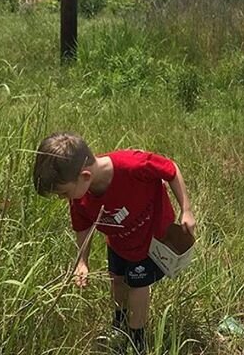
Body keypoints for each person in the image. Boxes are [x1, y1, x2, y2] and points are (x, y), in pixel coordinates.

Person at [32, 132, 196, 353]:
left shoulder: (133, 166)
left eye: (64, 193)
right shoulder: (80, 196)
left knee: (138, 285)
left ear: (85, 176)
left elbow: (171, 170)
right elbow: (82, 226)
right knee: (117, 280)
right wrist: (82, 261)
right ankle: (119, 324)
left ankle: (137, 339)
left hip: (149, 239)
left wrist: (186, 209)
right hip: (118, 242)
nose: (65, 199)